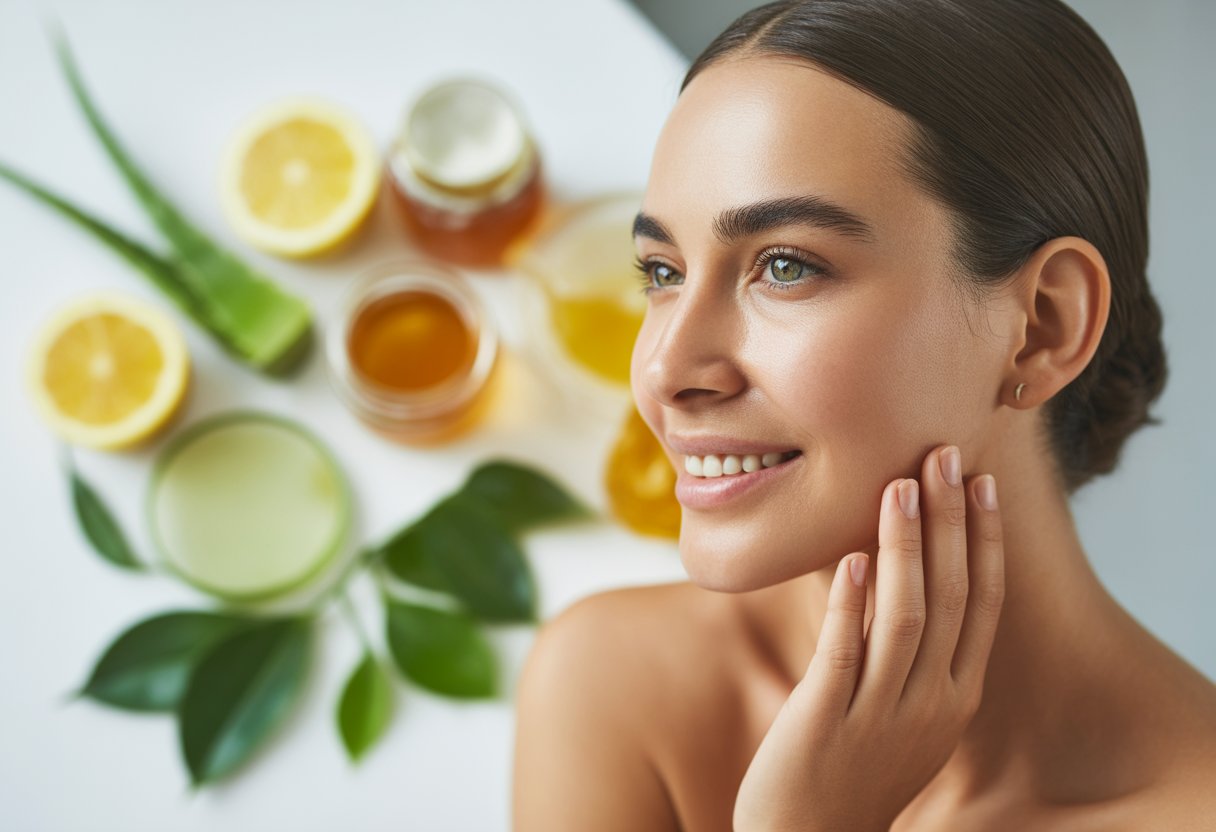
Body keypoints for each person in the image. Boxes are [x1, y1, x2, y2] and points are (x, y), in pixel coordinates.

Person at [511, 0, 1216, 828]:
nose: (664, 370)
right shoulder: (614, 686)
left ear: (1042, 328)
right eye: (662, 273)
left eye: (783, 266)